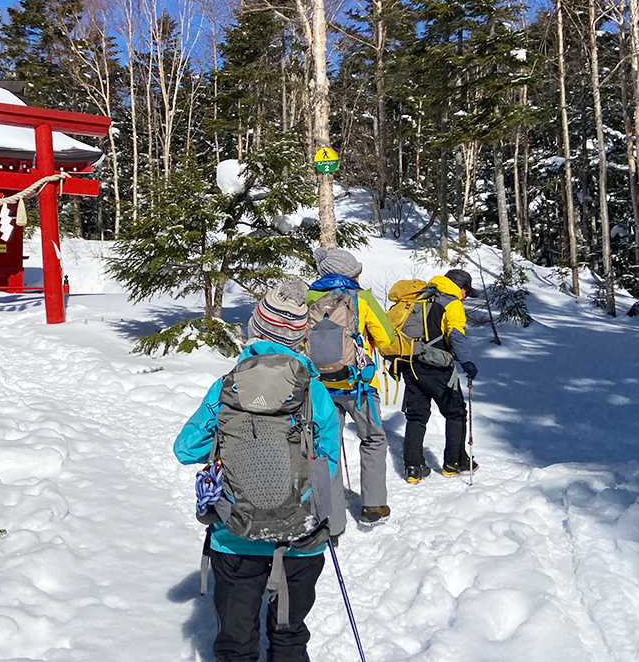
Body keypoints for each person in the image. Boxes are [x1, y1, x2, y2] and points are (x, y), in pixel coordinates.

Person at [173, 280, 341, 662]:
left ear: (255, 329)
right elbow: (326, 463)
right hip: (302, 536)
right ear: (300, 338)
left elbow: (185, 450)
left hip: (235, 533)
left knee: (236, 642)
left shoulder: (227, 387)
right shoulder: (314, 393)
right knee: (290, 635)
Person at [306, 248, 395, 533]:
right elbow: (387, 340)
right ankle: (373, 506)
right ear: (349, 274)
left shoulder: (309, 299)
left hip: (320, 388)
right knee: (373, 440)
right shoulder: (363, 299)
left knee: (326, 448)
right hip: (361, 387)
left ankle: (331, 522)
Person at [397, 268, 479, 483]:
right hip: (437, 366)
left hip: (410, 364)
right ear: (462, 288)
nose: (466, 297)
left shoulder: (418, 297)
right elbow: (455, 335)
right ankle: (454, 463)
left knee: (416, 417)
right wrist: (466, 362)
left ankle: (413, 468)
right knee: (456, 413)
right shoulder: (452, 303)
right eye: (467, 292)